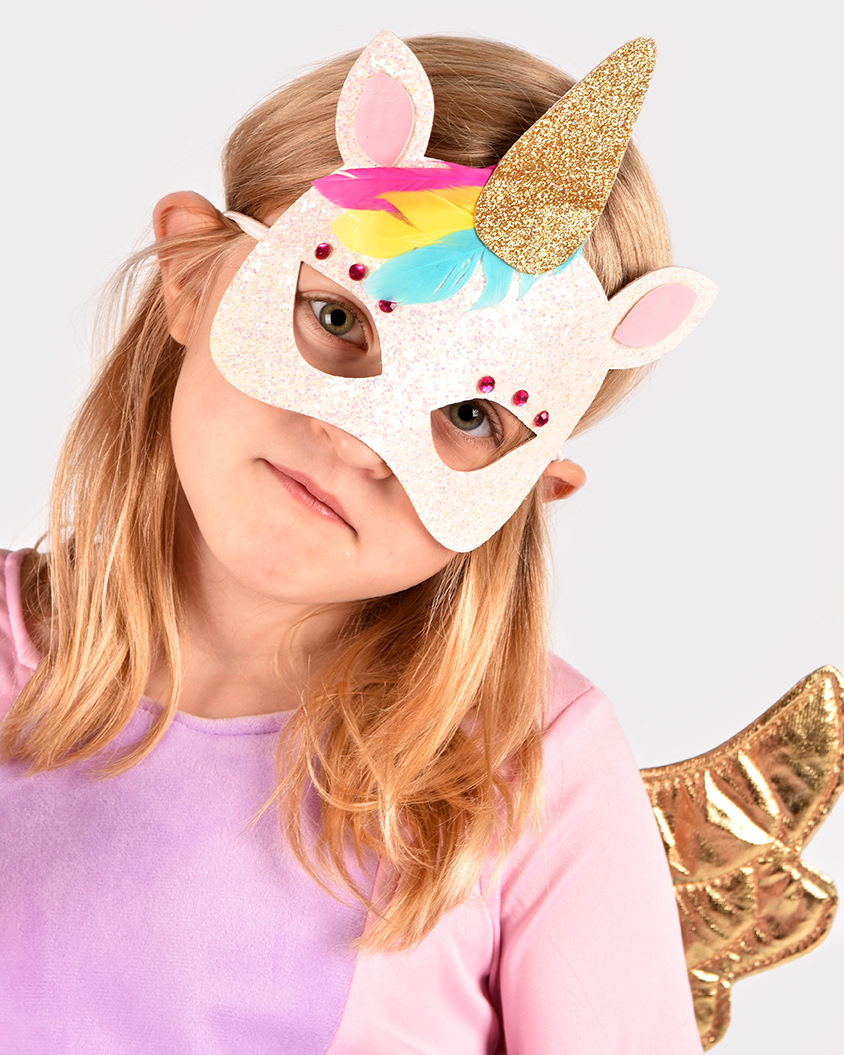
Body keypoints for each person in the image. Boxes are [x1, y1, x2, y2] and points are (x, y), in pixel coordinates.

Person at [0, 31, 714, 1053]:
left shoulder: (539, 767)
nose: (358, 441)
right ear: (189, 277)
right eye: (335, 316)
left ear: (527, 492)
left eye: (470, 415)